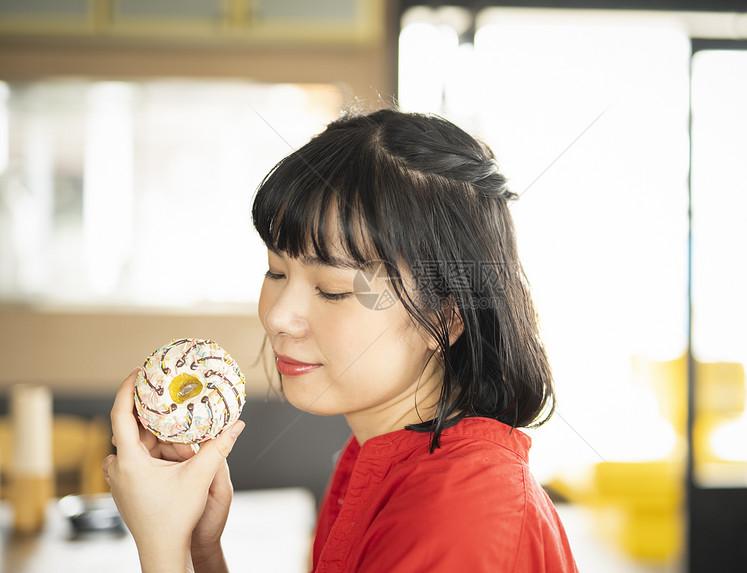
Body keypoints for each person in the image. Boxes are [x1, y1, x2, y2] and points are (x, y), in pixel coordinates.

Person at [103, 109, 579, 572]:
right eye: (276, 271)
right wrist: (196, 547)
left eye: (331, 290)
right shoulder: (373, 457)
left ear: (447, 314)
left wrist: (161, 548)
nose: (278, 318)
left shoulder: (465, 516)